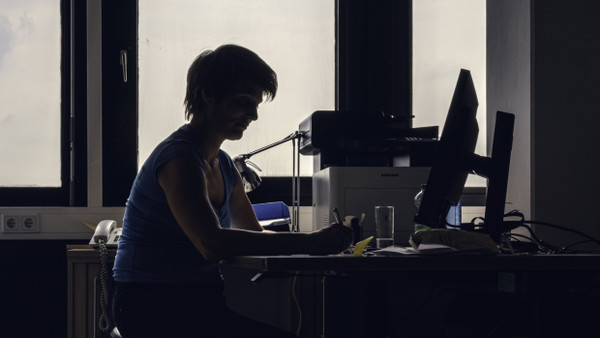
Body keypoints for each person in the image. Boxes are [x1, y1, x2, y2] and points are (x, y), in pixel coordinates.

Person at [112, 44, 353, 338]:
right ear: (208, 95)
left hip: (198, 303)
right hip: (151, 305)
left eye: (256, 104)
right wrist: (310, 243)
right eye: (243, 101)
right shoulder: (179, 160)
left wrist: (320, 243)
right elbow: (211, 243)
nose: (253, 114)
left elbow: (252, 231)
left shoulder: (224, 164)